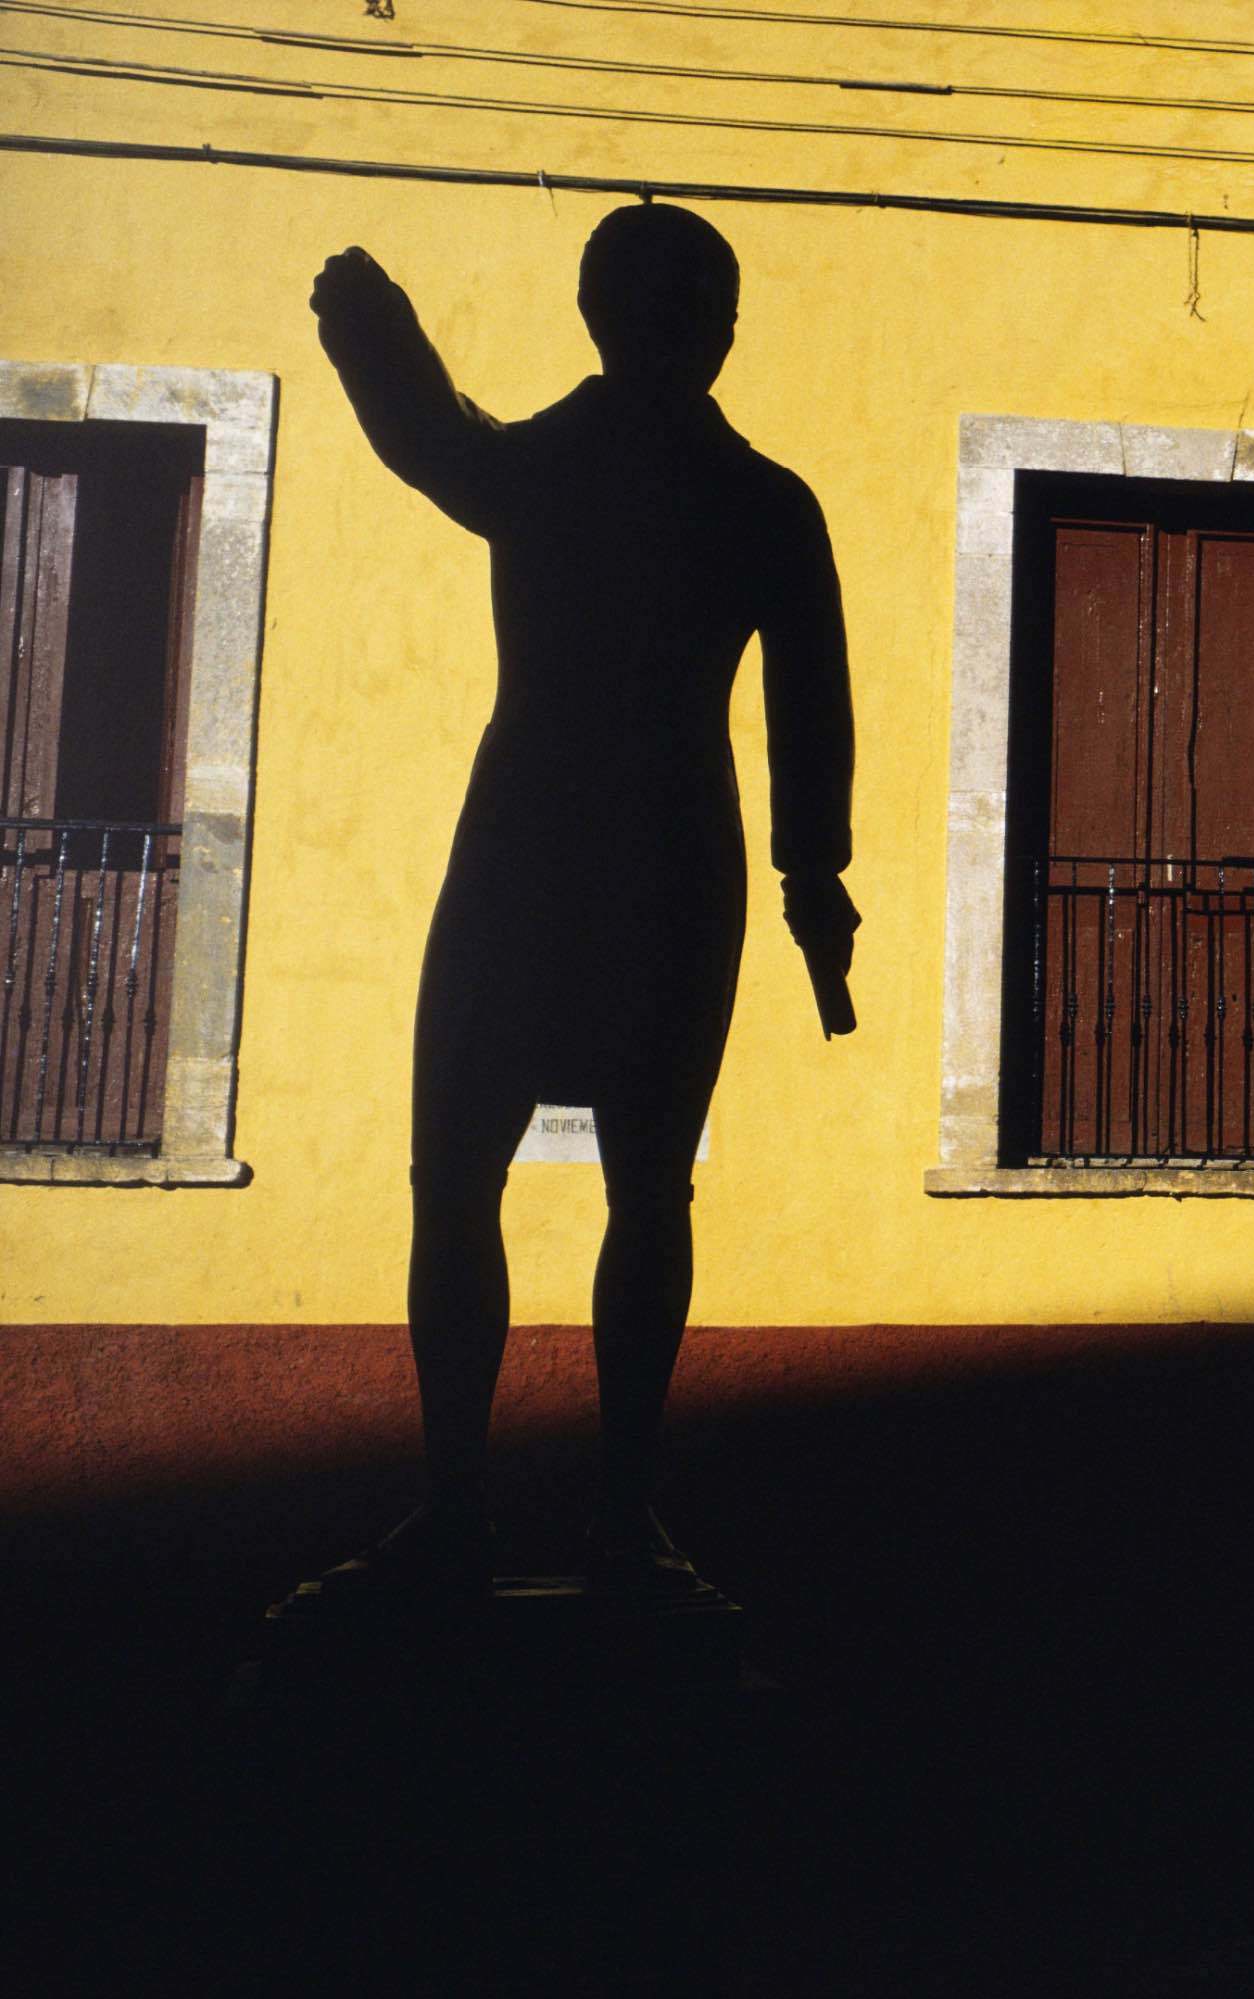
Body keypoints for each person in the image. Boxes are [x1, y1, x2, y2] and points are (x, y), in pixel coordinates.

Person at [308, 203, 857, 1595]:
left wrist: (374, 337)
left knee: (475, 1179)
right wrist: (812, 876)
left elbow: (434, 439)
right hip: (666, 854)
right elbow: (812, 718)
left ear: (596, 317)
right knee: (631, 1190)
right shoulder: (762, 503)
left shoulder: (557, 472)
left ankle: (478, 1511)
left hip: (532, 845)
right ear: (716, 333)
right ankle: (612, 1517)